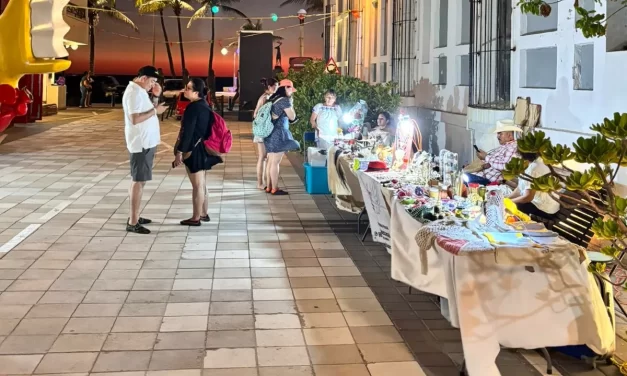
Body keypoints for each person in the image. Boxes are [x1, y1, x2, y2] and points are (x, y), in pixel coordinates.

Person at [122, 66, 168, 234]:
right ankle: (133, 221)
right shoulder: (134, 93)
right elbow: (135, 119)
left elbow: (147, 112)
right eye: (152, 81)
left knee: (139, 180)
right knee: (138, 181)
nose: (152, 84)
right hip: (140, 143)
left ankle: (135, 215)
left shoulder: (140, 91)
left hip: (146, 142)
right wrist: (156, 110)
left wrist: (155, 97)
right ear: (143, 78)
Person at [173, 78, 223, 226]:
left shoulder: (193, 108)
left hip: (194, 151)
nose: (185, 90)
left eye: (188, 88)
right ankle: (203, 213)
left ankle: (196, 217)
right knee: (202, 184)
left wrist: (180, 152)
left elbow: (187, 133)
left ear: (196, 92)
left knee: (197, 186)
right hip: (202, 148)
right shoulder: (205, 105)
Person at [264, 79, 300, 195]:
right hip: (279, 133)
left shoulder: (273, 98)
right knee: (275, 162)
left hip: (270, 132)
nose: (291, 92)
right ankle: (275, 188)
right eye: (290, 89)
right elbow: (292, 116)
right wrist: (291, 103)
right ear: (284, 88)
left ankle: (269, 187)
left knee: (270, 161)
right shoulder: (284, 100)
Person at [466, 119, 521, 185]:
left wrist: (486, 157)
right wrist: (484, 161)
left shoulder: (512, 147)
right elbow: (495, 162)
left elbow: (505, 166)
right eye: (498, 133)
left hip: (486, 180)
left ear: (509, 135)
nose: (498, 136)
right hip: (480, 176)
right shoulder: (503, 146)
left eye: (500, 133)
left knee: (461, 179)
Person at [508, 152, 560, 218]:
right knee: (509, 205)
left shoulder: (535, 168)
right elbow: (519, 189)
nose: (515, 155)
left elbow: (528, 197)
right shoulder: (528, 165)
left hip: (545, 209)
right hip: (536, 202)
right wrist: (506, 199)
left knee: (513, 208)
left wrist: (509, 202)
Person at [253, 77, 279, 190]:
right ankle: (260, 183)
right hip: (263, 130)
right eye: (275, 86)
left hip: (264, 130)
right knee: (263, 157)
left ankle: (265, 183)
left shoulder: (267, 97)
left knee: (265, 157)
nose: (277, 88)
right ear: (269, 87)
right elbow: (256, 114)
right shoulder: (265, 98)